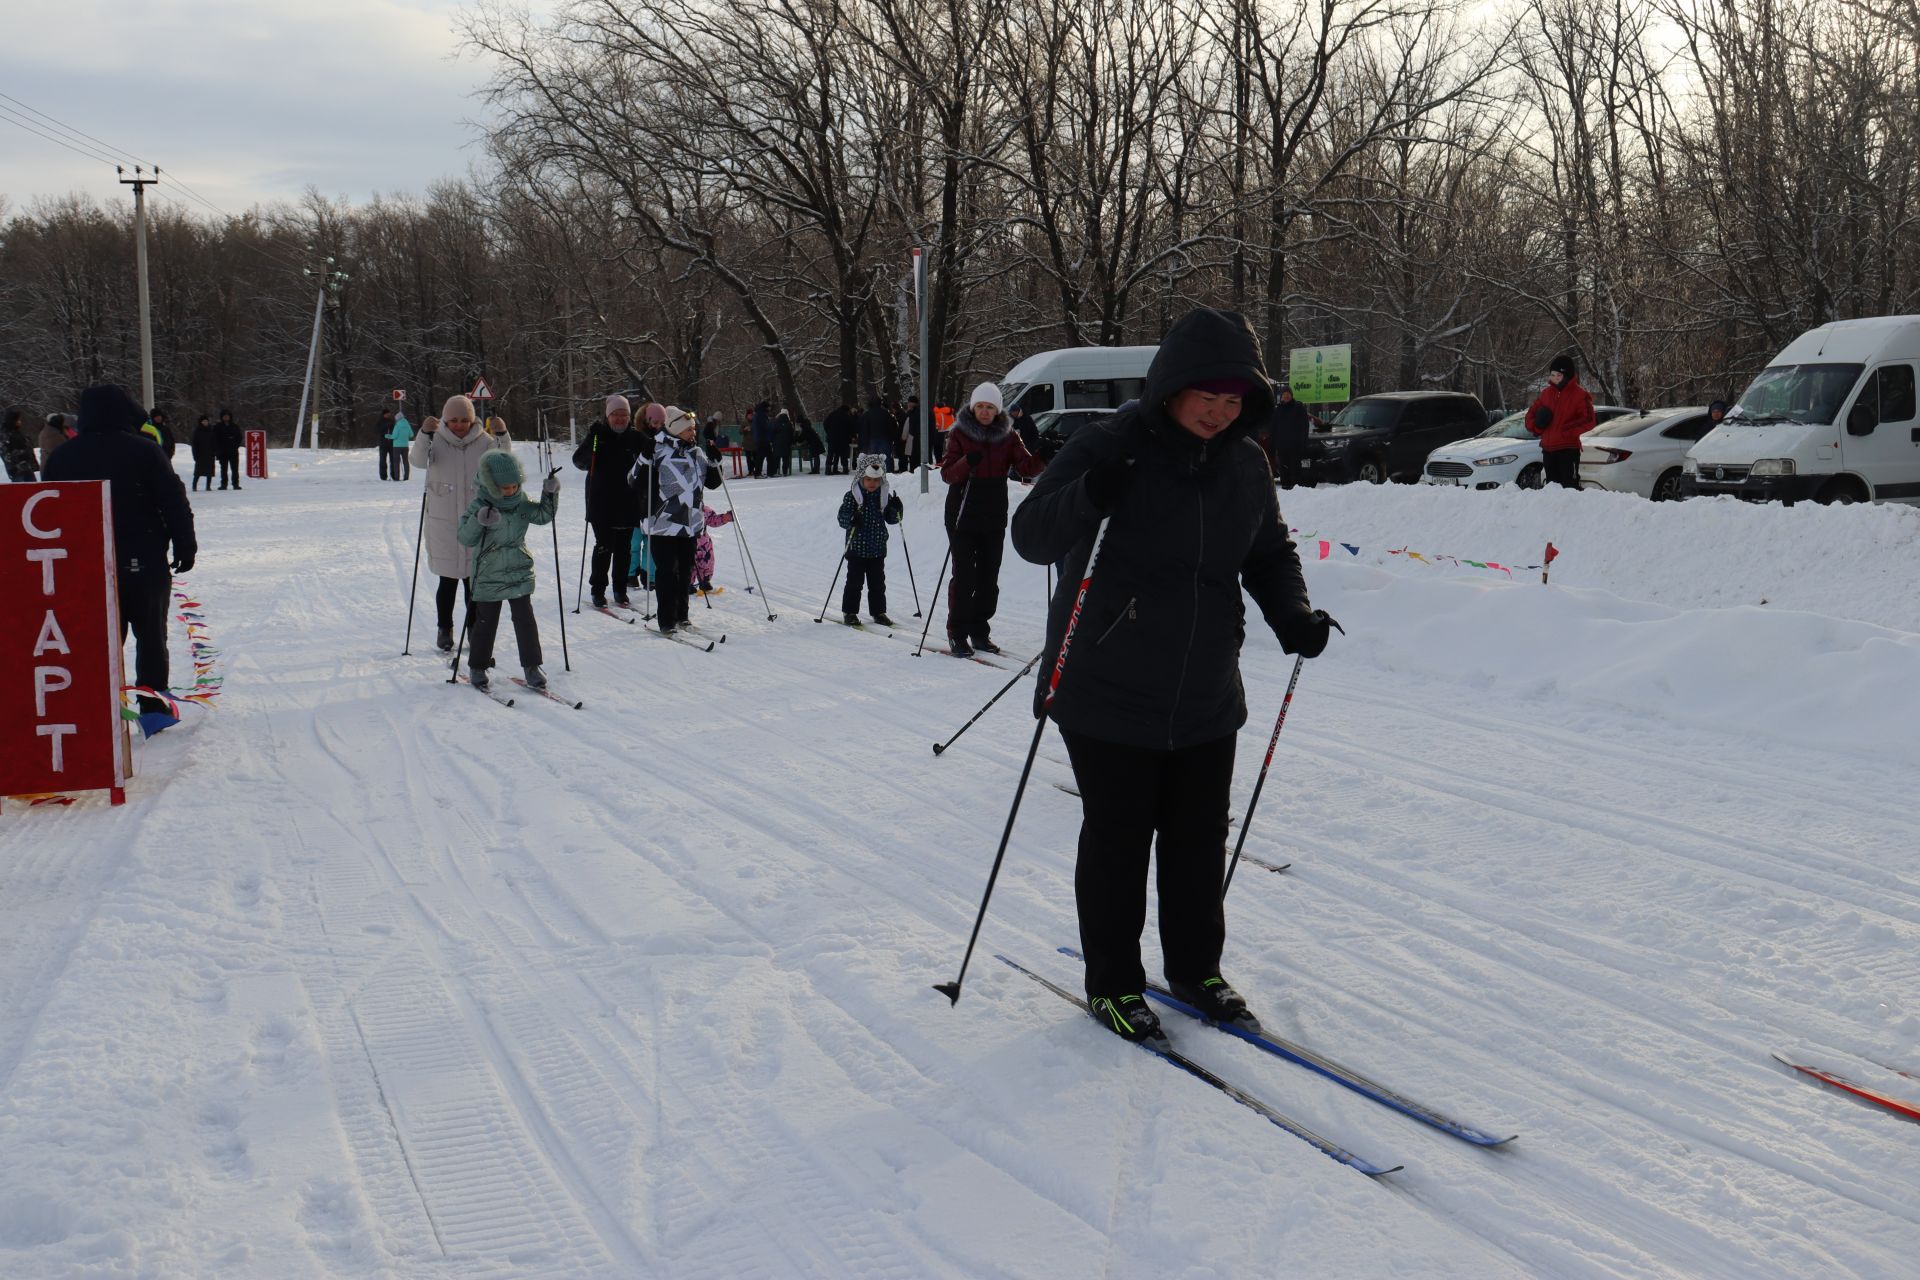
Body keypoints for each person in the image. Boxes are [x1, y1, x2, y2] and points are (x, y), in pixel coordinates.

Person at [1009, 307, 1339, 1043]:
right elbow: (1032, 535)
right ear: (1172, 388)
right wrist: (1093, 491)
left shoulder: (1246, 463)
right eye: (1208, 399)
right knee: (1119, 841)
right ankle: (1114, 983)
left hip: (1204, 689)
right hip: (1104, 685)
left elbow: (1268, 550)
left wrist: (1293, 615)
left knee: (1196, 841)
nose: (1221, 415)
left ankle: (1196, 969)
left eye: (1234, 403)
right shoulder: (1109, 444)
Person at [42, 384, 198, 735]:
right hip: (142, 559)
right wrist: (184, 545)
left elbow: (48, 513)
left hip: (85, 564)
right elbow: (173, 502)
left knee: (96, 638)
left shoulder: (63, 457)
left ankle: (95, 708)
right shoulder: (145, 451)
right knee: (150, 634)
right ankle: (153, 707)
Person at [939, 381, 1044, 657]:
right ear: (973, 408)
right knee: (964, 577)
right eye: (980, 407)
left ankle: (979, 631)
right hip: (962, 514)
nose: (984, 412)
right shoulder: (959, 433)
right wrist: (966, 462)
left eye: (990, 407)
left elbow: (1026, 467)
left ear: (997, 410)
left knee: (988, 577)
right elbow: (947, 473)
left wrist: (1045, 455)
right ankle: (957, 633)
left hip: (993, 514)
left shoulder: (1008, 435)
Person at [411, 394, 510, 651]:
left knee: (473, 581)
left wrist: (503, 434)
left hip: (475, 522)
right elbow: (418, 461)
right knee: (447, 582)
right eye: (453, 420)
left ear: (472, 419)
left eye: (464, 419)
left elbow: (502, 464)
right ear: (445, 419)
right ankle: (445, 628)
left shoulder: (485, 442)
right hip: (443, 523)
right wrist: (423, 433)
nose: (458, 424)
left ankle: (474, 627)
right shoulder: (436, 440)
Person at [457, 448, 558, 689]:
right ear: (491, 485)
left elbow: (543, 516)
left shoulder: (521, 502)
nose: (510, 491)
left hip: (518, 570)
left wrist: (549, 494)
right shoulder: (480, 505)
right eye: (504, 487)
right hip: (488, 572)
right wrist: (479, 519)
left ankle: (532, 666)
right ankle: (478, 666)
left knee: (525, 620)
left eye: (514, 485)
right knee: (485, 622)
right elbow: (465, 537)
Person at [629, 407, 722, 634]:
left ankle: (683, 616)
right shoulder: (657, 449)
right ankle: (666, 619)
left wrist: (715, 461)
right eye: (688, 429)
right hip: (663, 523)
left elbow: (712, 482)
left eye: (693, 429)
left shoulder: (697, 453)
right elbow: (633, 480)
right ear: (676, 430)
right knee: (667, 572)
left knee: (685, 571)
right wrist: (644, 456)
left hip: (689, 524)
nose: (692, 432)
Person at [572, 393, 648, 608]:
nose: (620, 419)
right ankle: (598, 589)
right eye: (615, 415)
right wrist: (590, 440)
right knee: (604, 547)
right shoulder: (599, 435)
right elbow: (579, 461)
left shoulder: (636, 438)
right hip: (601, 502)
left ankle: (620, 589)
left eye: (624, 415)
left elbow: (653, 457)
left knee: (623, 549)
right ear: (608, 416)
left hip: (628, 501)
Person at [837, 455, 904, 625]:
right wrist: (851, 518)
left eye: (876, 479)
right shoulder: (852, 496)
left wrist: (897, 509)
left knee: (878, 584)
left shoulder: (883, 496)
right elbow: (842, 517)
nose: (872, 483)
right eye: (868, 479)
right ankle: (850, 612)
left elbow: (891, 519)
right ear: (861, 478)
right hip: (856, 548)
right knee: (854, 583)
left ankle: (878, 612)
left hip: (877, 548)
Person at [1525, 354, 1594, 489]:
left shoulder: (1580, 395)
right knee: (1552, 489)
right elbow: (1530, 415)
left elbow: (1589, 419)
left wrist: (1567, 431)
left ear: (1567, 376)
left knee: (1570, 488)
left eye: (1559, 375)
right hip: (1548, 450)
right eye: (1553, 375)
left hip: (1568, 450)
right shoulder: (1545, 394)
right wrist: (1538, 427)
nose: (1555, 378)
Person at [1268, 386, 1312, 489]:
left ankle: (1295, 493)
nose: (1286, 396)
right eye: (1284, 395)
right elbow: (1273, 429)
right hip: (1282, 448)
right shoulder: (1278, 410)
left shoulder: (1298, 407)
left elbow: (1304, 427)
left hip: (1295, 448)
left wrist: (1303, 444)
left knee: (1295, 471)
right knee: (1283, 471)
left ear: (1291, 396)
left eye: (1288, 394)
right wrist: (1272, 445)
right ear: (1281, 397)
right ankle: (1285, 490)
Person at [692, 504, 733, 594]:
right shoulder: (679, 507)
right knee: (689, 562)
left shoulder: (703, 509)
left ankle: (705, 581)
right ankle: (686, 583)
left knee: (707, 561)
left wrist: (725, 518)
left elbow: (712, 519)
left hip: (703, 542)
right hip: (687, 541)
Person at [2, 406, 38, 481]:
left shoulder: (17, 432)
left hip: (26, 469)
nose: (20, 421)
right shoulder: (6, 435)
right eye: (18, 420)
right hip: (19, 471)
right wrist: (24, 453)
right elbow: (7, 454)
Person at [860, 393, 896, 469]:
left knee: (873, 458)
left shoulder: (867, 414)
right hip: (885, 439)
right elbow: (891, 426)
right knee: (885, 458)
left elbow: (865, 429)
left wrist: (864, 442)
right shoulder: (885, 413)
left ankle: (874, 473)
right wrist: (891, 438)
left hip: (872, 439)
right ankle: (887, 472)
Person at [824, 399, 857, 474]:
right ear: (847, 410)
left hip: (832, 438)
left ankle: (828, 469)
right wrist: (853, 436)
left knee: (831, 453)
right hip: (843, 439)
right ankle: (845, 469)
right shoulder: (847, 416)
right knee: (843, 454)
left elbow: (825, 423)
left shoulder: (832, 414)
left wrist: (829, 432)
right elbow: (851, 427)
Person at [214, 409, 243, 490]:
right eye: (224, 416)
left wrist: (235, 445)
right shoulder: (217, 427)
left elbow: (239, 438)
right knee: (223, 469)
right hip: (222, 451)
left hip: (233, 451)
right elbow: (215, 439)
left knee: (235, 469)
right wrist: (218, 449)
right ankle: (224, 484)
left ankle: (235, 484)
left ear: (230, 417)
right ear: (222, 417)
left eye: (227, 416)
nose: (226, 417)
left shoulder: (234, 426)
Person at [189, 414, 218, 490]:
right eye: (203, 421)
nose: (205, 423)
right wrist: (195, 454)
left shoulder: (211, 430)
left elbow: (215, 441)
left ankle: (208, 486)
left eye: (206, 421)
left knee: (209, 472)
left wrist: (215, 451)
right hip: (200, 454)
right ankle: (194, 486)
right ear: (200, 422)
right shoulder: (197, 431)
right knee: (198, 472)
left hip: (210, 454)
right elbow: (194, 444)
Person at [388, 409, 414, 480]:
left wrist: (387, 436)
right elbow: (411, 435)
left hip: (396, 447)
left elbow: (394, 436)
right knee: (405, 462)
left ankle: (397, 477)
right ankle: (406, 477)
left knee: (396, 462)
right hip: (405, 446)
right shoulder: (407, 425)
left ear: (398, 419)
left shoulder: (397, 425)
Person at [376, 407, 397, 480]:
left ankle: (394, 475)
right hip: (383, 444)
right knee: (382, 461)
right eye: (387, 414)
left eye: (389, 413)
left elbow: (395, 431)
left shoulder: (391, 421)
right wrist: (386, 426)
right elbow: (377, 431)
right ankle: (383, 476)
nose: (389, 415)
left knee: (393, 460)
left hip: (391, 443)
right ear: (384, 414)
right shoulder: (379, 421)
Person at [773, 407, 794, 477]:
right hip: (786, 444)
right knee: (785, 459)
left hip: (777, 443)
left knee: (776, 458)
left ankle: (775, 471)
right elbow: (791, 434)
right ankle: (785, 472)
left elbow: (773, 432)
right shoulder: (789, 424)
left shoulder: (776, 422)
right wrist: (791, 442)